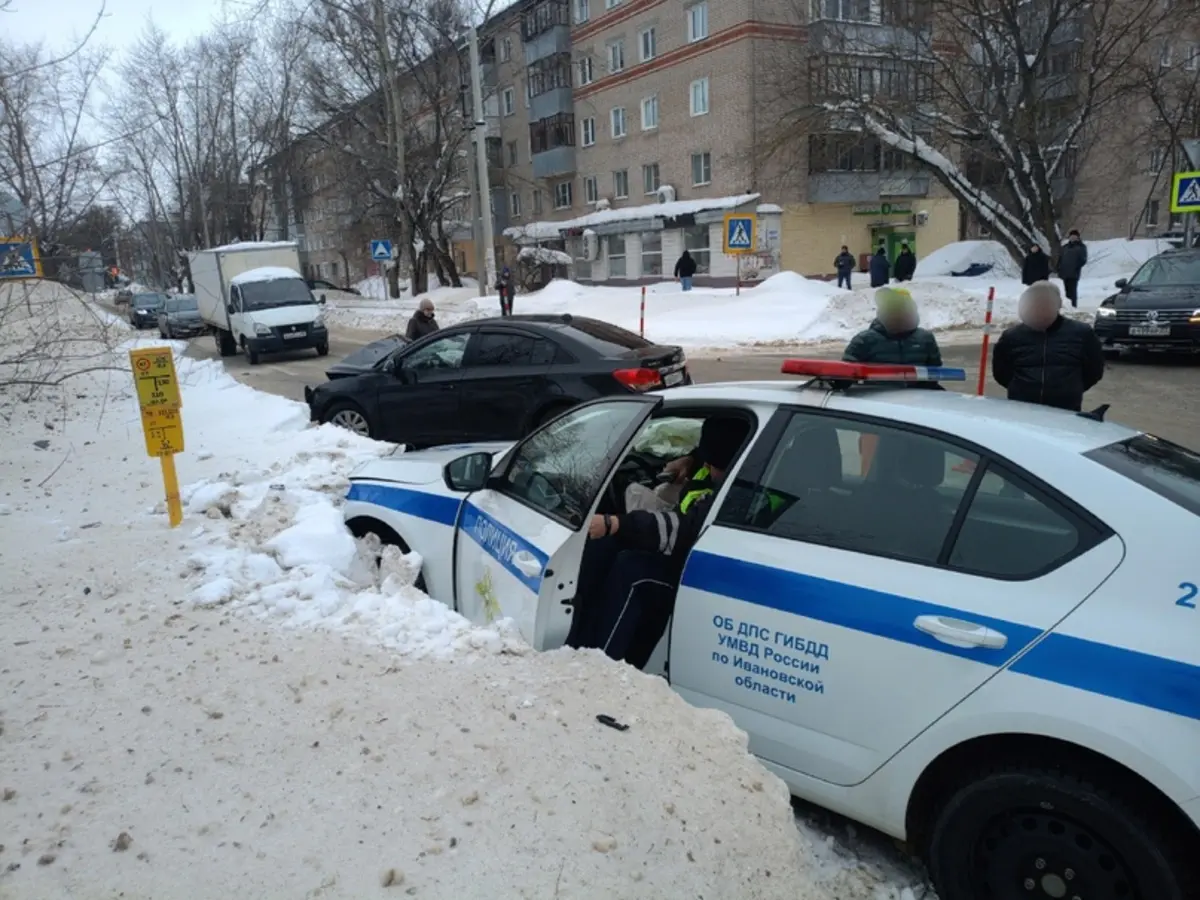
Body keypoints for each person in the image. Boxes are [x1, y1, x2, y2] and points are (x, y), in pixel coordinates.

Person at [565, 417, 750, 669]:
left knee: (633, 570)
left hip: (711, 570)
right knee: (604, 547)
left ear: (737, 462)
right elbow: (714, 457)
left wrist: (618, 523)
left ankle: (601, 667)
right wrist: (691, 459)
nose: (707, 466)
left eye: (714, 464)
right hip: (685, 554)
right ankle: (577, 643)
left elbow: (686, 531)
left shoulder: (745, 491)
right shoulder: (727, 466)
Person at [992, 280, 1105, 411]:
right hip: (1022, 411)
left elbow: (1094, 370)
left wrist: (1072, 390)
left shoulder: (1082, 334)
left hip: (1065, 411)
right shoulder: (1011, 337)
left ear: (1058, 304)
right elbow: (1001, 372)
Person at [843, 286, 942, 366]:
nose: (899, 316)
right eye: (893, 311)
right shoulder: (865, 341)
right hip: (878, 390)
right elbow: (846, 375)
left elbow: (934, 374)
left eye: (904, 311)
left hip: (918, 391)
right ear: (884, 313)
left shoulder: (925, 339)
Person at [1057, 229, 1089, 308]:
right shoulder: (1065, 247)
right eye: (1071, 236)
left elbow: (1083, 260)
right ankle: (1068, 306)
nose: (1073, 238)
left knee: (1073, 290)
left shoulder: (1081, 247)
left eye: (1074, 236)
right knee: (1067, 290)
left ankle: (1073, 306)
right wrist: (1058, 267)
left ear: (1078, 237)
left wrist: (1076, 266)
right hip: (1065, 272)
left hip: (1074, 272)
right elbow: (1060, 258)